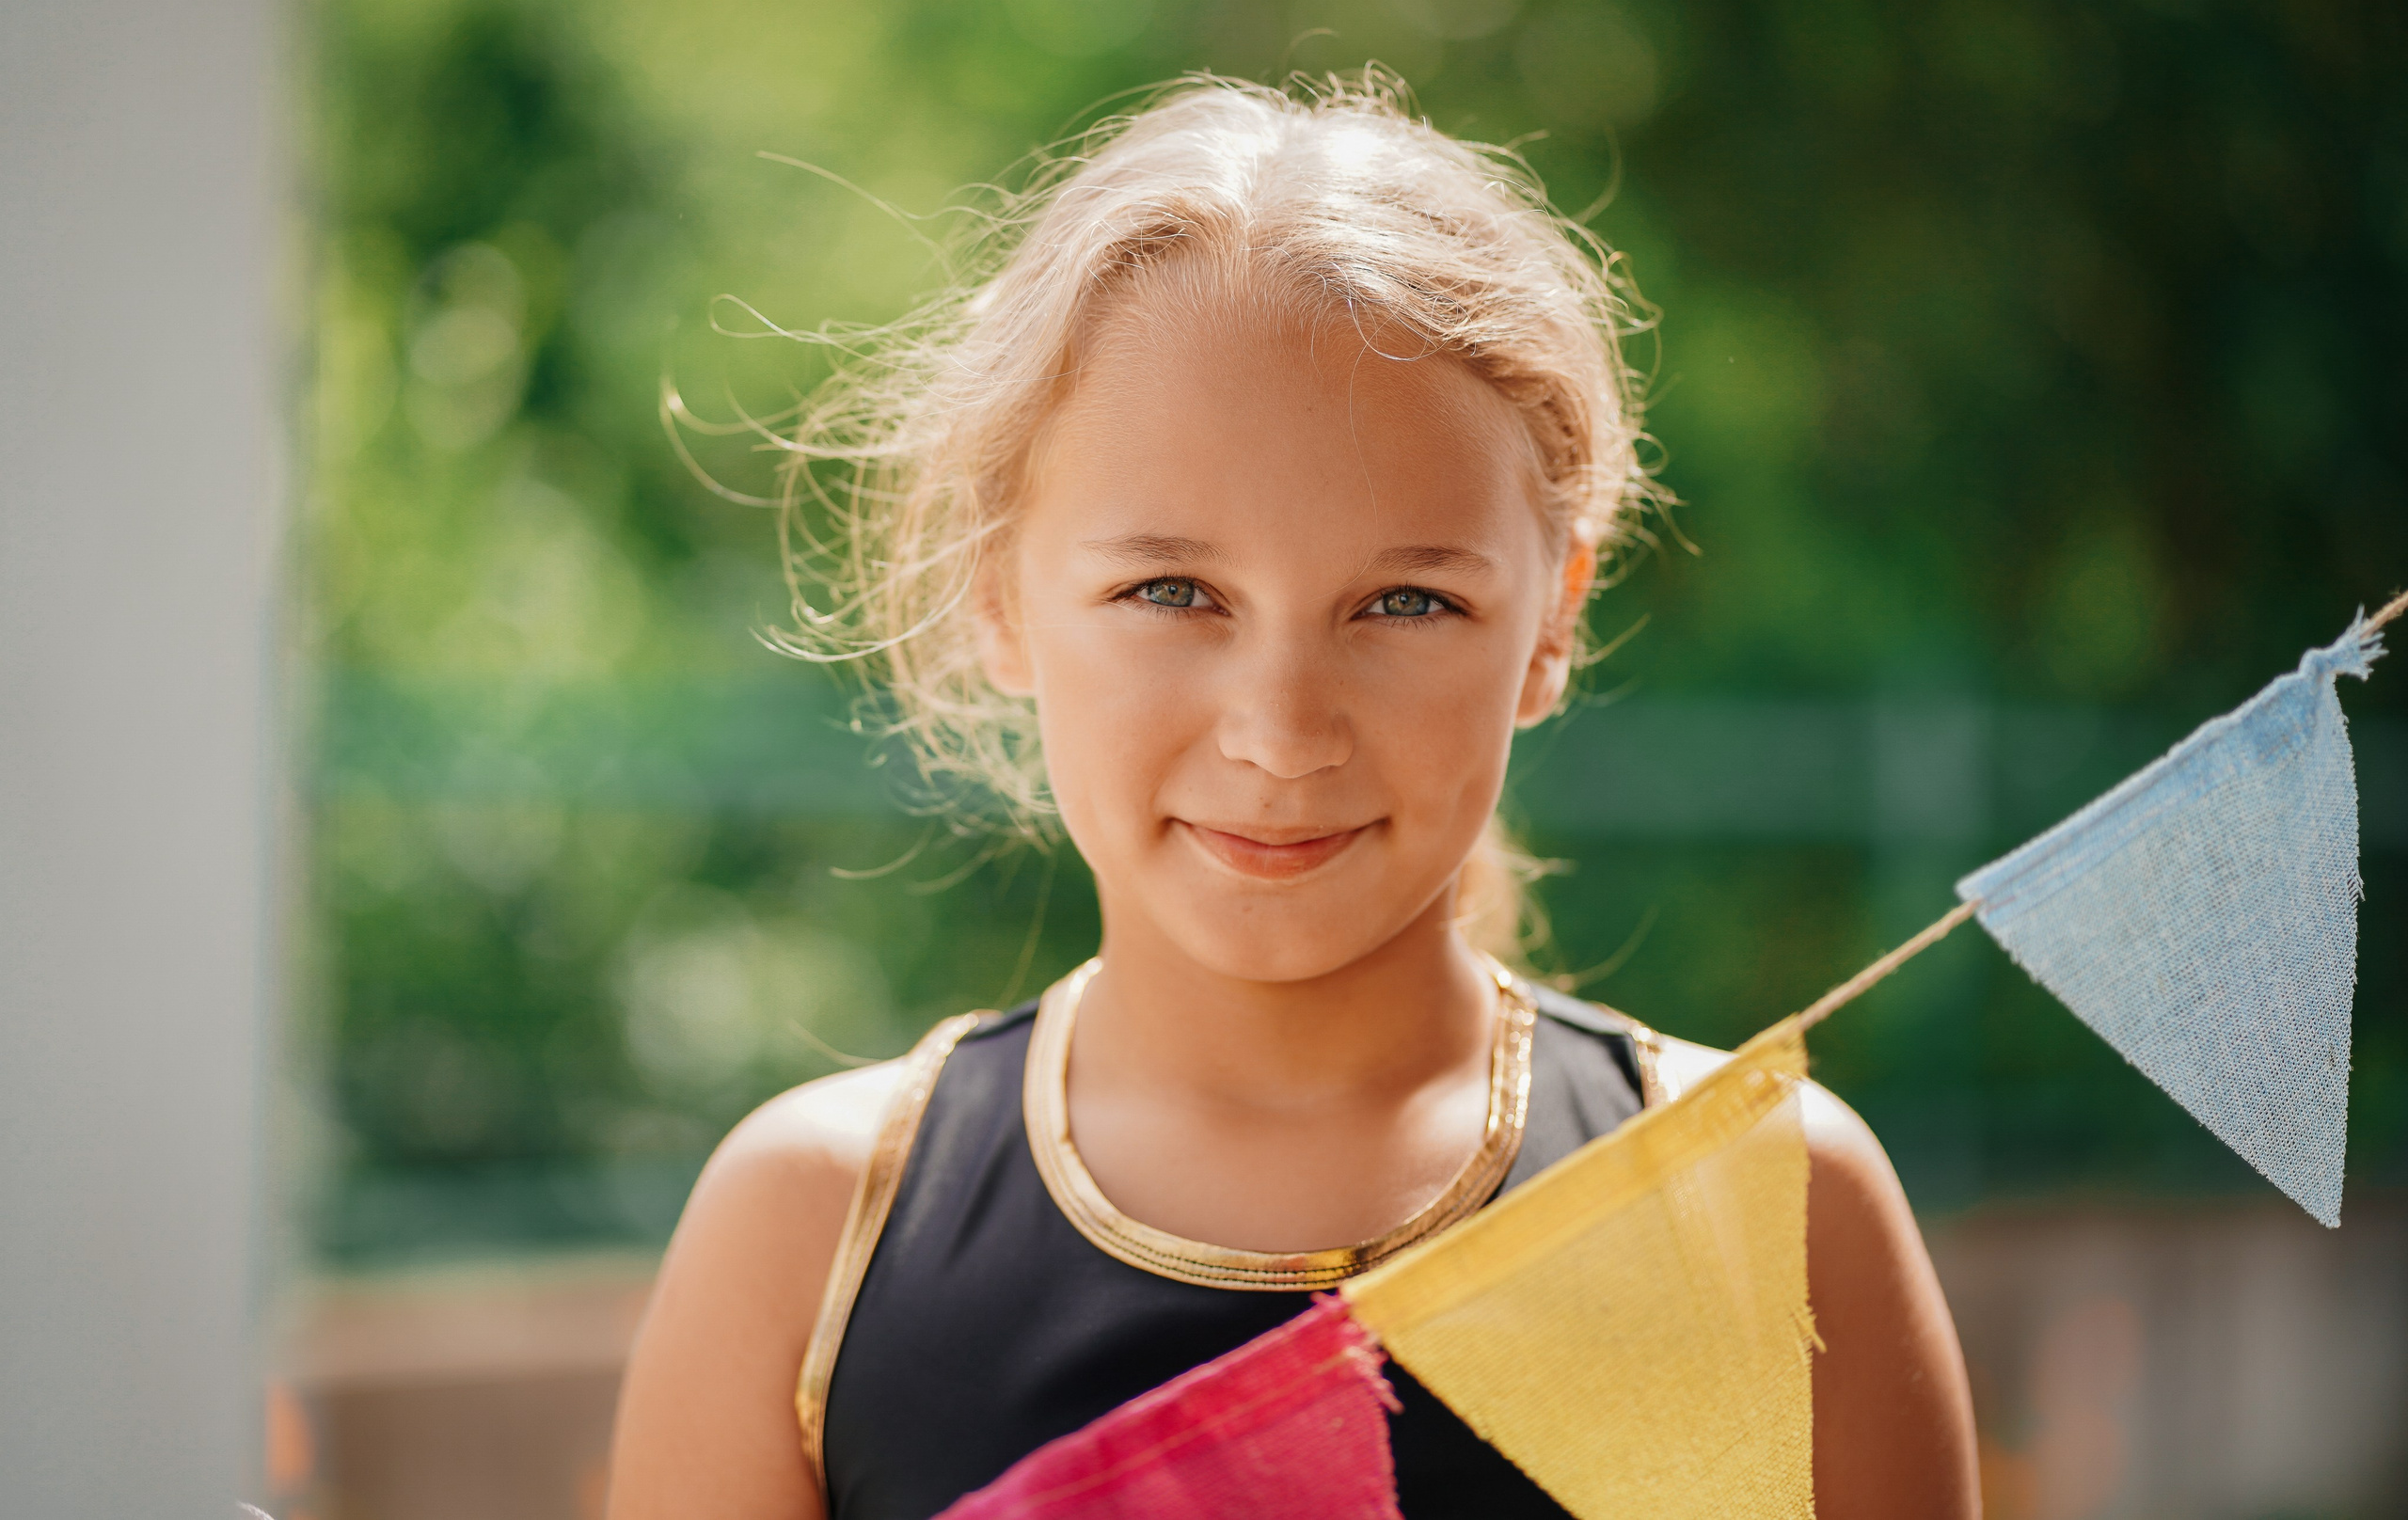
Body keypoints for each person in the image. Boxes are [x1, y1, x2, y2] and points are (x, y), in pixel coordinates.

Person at [606, 76, 1977, 1520]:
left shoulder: (1772, 1212)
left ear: (1554, 620)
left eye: (1405, 602)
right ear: (998, 590)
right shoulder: (810, 1235)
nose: (1281, 736)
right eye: (1172, 591)